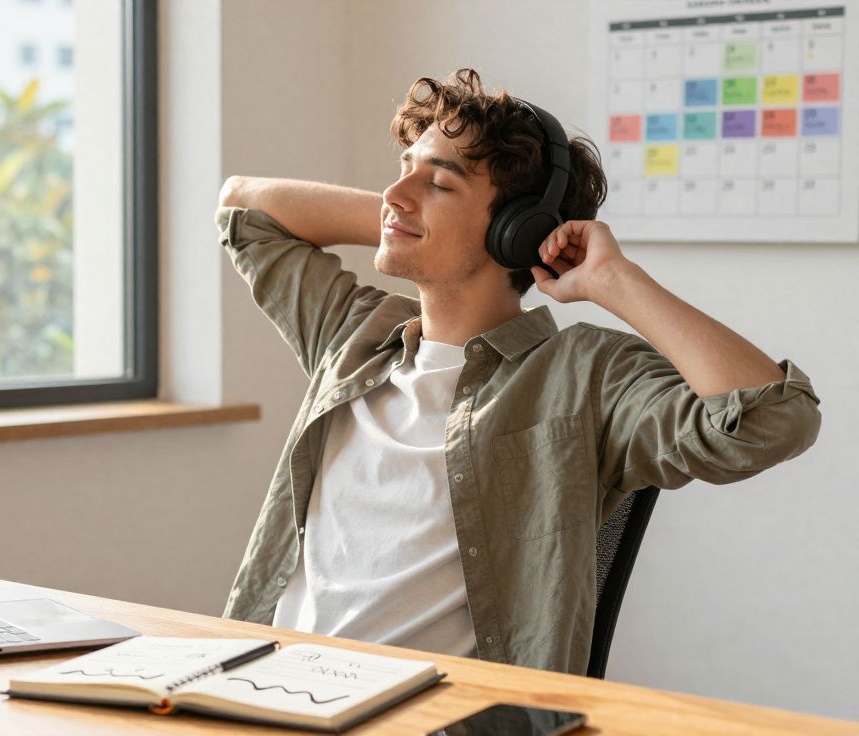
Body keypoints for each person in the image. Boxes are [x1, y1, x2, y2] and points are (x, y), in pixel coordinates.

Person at [213, 68, 822, 675]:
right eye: (404, 168)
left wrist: (615, 281)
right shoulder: (355, 334)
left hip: (431, 716)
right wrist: (406, 213)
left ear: (516, 229)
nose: (395, 193)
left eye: (440, 184)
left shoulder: (583, 375)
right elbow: (243, 207)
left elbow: (773, 419)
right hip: (265, 685)